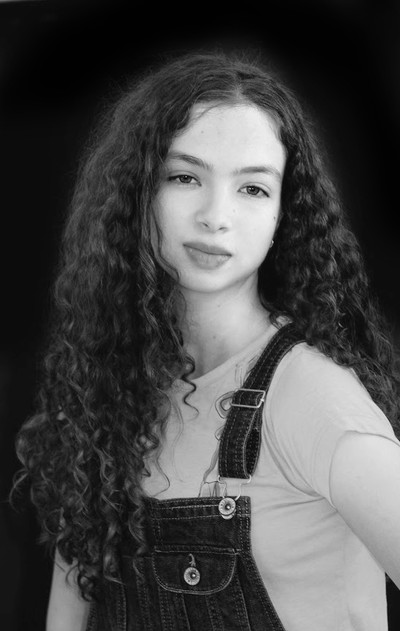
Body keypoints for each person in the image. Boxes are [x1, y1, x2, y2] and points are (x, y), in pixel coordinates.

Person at [12, 50, 400, 631]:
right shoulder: (104, 396)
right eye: (185, 177)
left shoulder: (313, 398)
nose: (216, 216)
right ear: (138, 193)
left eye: (253, 189)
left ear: (283, 216)